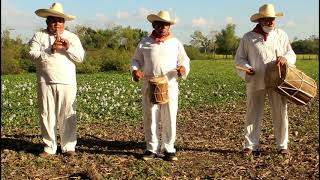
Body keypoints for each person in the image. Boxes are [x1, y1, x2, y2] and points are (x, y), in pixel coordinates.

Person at [235, 4, 296, 156]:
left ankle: (282, 145)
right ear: (260, 20)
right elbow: (239, 59)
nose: (270, 22)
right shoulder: (248, 37)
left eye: (272, 19)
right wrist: (246, 68)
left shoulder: (282, 35)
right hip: (256, 80)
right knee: (252, 112)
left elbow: (291, 54)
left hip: (277, 81)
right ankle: (250, 145)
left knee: (281, 112)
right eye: (267, 19)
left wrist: (285, 58)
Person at [131, 10, 190, 161]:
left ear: (169, 26)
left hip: (169, 85)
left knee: (169, 117)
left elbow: (184, 60)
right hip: (150, 83)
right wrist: (135, 70)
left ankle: (169, 148)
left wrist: (183, 68)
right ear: (154, 25)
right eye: (160, 24)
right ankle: (151, 148)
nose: (163, 27)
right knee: (150, 117)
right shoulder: (144, 42)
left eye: (166, 24)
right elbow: (136, 60)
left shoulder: (175, 42)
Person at [29, 2, 85, 157]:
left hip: (67, 81)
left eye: (59, 21)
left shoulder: (72, 37)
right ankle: (49, 147)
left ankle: (68, 147)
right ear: (47, 21)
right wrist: (50, 49)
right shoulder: (39, 36)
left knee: (68, 113)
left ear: (64, 22)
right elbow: (31, 54)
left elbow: (80, 58)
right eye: (53, 20)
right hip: (45, 81)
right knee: (46, 114)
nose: (56, 23)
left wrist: (68, 47)